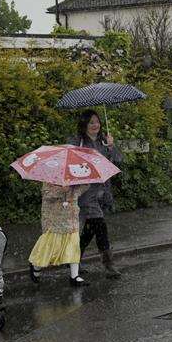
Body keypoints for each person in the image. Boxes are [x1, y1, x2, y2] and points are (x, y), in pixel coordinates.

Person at [70, 110, 123, 279]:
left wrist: (111, 146)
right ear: (84, 124)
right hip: (85, 192)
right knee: (100, 226)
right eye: (91, 122)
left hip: (103, 191)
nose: (95, 125)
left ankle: (74, 260)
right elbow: (71, 165)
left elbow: (118, 161)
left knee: (90, 230)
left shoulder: (103, 141)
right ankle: (108, 265)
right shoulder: (77, 142)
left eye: (97, 122)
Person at [28, 182, 90, 286]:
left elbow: (79, 192)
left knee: (73, 245)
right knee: (50, 246)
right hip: (55, 218)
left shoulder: (75, 178)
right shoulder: (51, 179)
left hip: (71, 217)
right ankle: (35, 266)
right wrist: (62, 190)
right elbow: (47, 194)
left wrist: (85, 184)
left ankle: (74, 276)